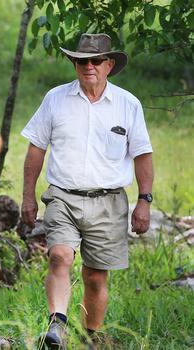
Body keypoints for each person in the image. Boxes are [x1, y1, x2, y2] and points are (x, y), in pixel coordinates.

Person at [20, 33, 154, 349]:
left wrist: (144, 201)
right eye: (82, 61)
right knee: (59, 256)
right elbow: (36, 149)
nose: (88, 66)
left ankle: (91, 336)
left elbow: (143, 155)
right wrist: (28, 196)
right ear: (74, 63)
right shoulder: (55, 99)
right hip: (63, 196)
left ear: (109, 64)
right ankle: (57, 326)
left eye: (95, 61)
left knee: (95, 277)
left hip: (109, 201)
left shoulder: (127, 104)